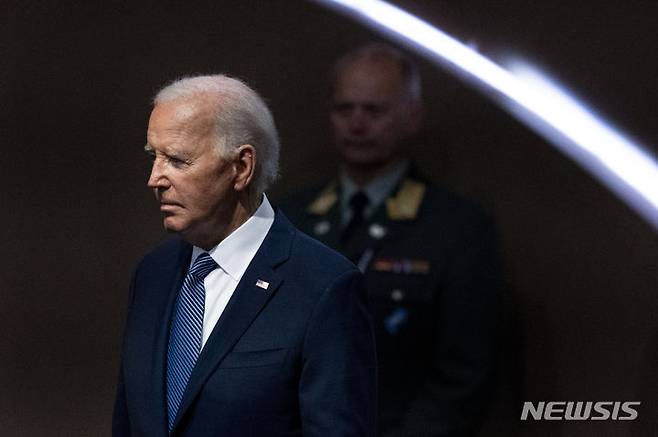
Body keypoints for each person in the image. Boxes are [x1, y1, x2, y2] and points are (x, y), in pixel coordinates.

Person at [113, 75, 377, 437]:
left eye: (177, 160)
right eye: (154, 157)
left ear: (241, 167)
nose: (155, 178)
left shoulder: (324, 287)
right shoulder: (153, 273)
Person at [281, 44, 502, 436]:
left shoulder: (456, 227)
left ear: (412, 117)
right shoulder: (291, 217)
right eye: (344, 109)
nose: (357, 124)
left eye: (374, 111)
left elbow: (462, 377)